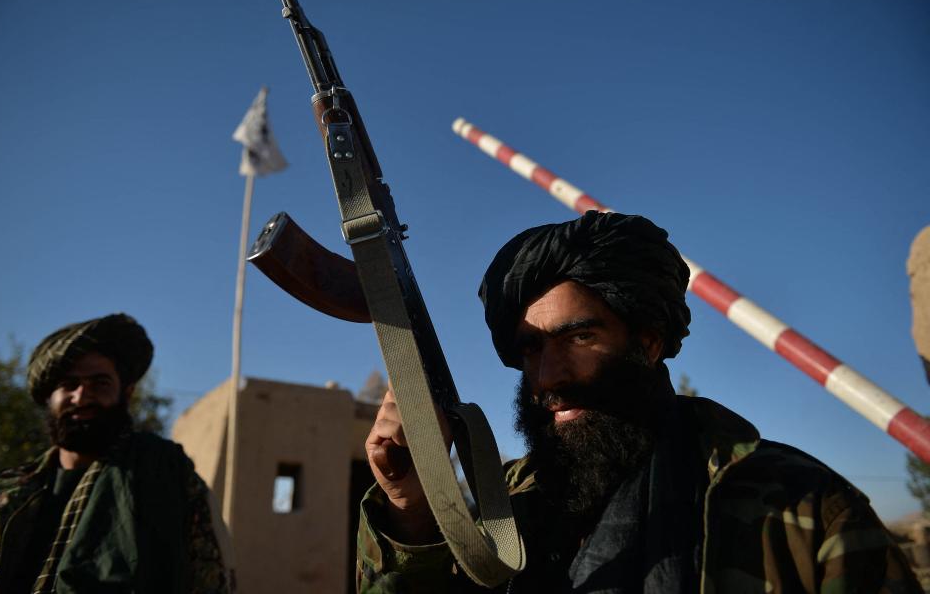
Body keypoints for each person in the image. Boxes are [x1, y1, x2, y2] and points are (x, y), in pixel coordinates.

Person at [356, 211, 919, 593]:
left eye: (580, 338)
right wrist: (410, 508)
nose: (548, 376)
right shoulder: (504, 510)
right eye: (530, 349)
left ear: (648, 343)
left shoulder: (801, 507)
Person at [0, 313, 234, 594]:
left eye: (100, 383)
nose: (82, 397)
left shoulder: (165, 477)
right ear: (50, 397)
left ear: (127, 393)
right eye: (69, 385)